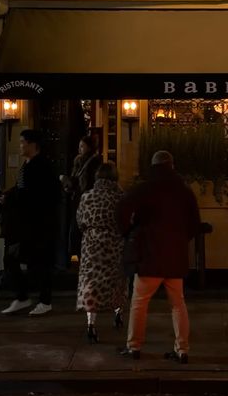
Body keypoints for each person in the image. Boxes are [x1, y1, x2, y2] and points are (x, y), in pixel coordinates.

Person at [116, 150, 201, 363]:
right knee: (178, 303)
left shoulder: (145, 188)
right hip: (175, 257)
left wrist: (128, 231)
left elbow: (122, 208)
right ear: (172, 165)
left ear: (153, 166)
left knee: (139, 302)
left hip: (149, 255)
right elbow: (194, 223)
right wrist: (181, 239)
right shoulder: (184, 191)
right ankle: (182, 349)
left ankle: (134, 346)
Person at [0, 129, 61, 316]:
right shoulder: (28, 165)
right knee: (18, 259)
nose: (20, 146)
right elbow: (21, 190)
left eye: (22, 142)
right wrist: (8, 196)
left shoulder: (41, 166)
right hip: (27, 224)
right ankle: (25, 297)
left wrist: (10, 199)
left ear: (33, 145)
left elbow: (33, 195)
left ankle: (41, 300)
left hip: (37, 224)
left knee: (37, 262)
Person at [76, 161, 126, 343]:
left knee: (92, 285)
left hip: (92, 246)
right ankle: (118, 312)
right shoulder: (120, 197)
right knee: (116, 282)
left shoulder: (87, 197)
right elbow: (128, 221)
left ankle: (91, 324)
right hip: (115, 245)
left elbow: (80, 221)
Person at [60, 134, 102, 261]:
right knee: (76, 226)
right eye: (79, 146)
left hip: (85, 198)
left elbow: (83, 182)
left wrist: (66, 180)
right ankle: (76, 253)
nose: (80, 149)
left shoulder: (93, 162)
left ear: (89, 147)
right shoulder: (78, 161)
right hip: (77, 198)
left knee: (80, 226)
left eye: (82, 146)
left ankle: (80, 254)